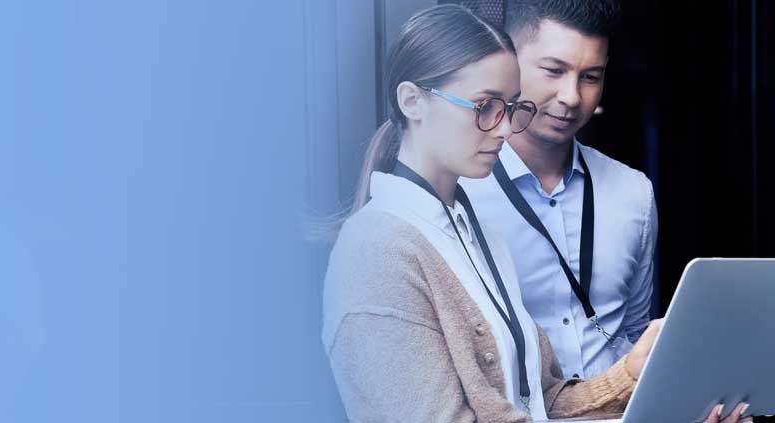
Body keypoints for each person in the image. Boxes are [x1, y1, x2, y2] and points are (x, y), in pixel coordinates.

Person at [321, 5, 749, 422]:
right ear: (413, 102)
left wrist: (631, 375)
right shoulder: (374, 252)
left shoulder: (476, 235)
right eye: (484, 106)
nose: (505, 128)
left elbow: (541, 403)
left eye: (510, 108)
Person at [460, 0, 659, 380]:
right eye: (554, 70)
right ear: (507, 63)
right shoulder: (459, 192)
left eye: (591, 76)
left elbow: (636, 337)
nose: (571, 97)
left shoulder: (633, 193)